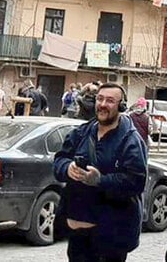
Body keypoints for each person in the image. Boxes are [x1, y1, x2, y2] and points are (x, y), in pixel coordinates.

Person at [54, 83, 148, 262]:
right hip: (78, 236)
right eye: (100, 99)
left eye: (110, 101)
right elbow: (59, 160)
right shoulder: (81, 132)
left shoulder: (131, 141)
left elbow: (136, 182)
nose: (103, 104)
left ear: (121, 106)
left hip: (110, 237)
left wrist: (99, 180)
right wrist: (67, 168)